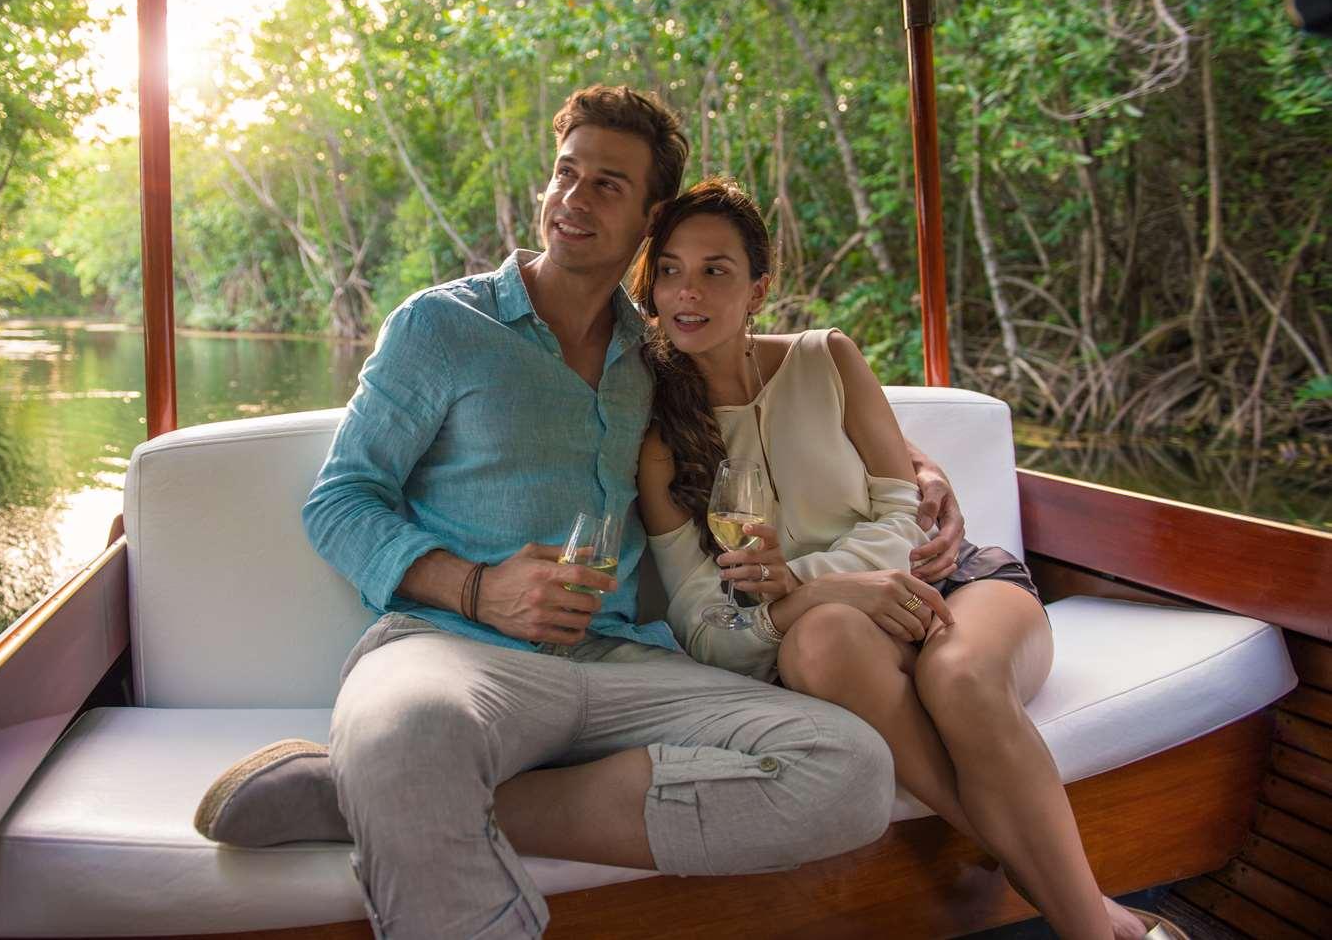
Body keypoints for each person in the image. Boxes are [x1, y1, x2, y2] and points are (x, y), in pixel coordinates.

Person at [191, 86, 965, 940]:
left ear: (650, 218)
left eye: (607, 184)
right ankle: (401, 783)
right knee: (406, 735)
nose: (573, 199)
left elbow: (776, 396)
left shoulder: (660, 353)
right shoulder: (440, 326)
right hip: (452, 652)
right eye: (565, 173)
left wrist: (922, 467)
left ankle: (372, 797)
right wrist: (478, 588)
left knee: (849, 770)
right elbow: (341, 499)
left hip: (625, 663)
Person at [631, 178, 1184, 940]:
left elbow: (902, 514)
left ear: (758, 288)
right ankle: (1089, 909)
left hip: (952, 585)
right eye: (669, 270)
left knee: (958, 678)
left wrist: (808, 579)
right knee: (817, 642)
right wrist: (819, 598)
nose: (686, 291)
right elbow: (701, 626)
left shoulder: (827, 358)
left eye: (713, 270)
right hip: (834, 634)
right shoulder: (660, 442)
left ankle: (1089, 926)